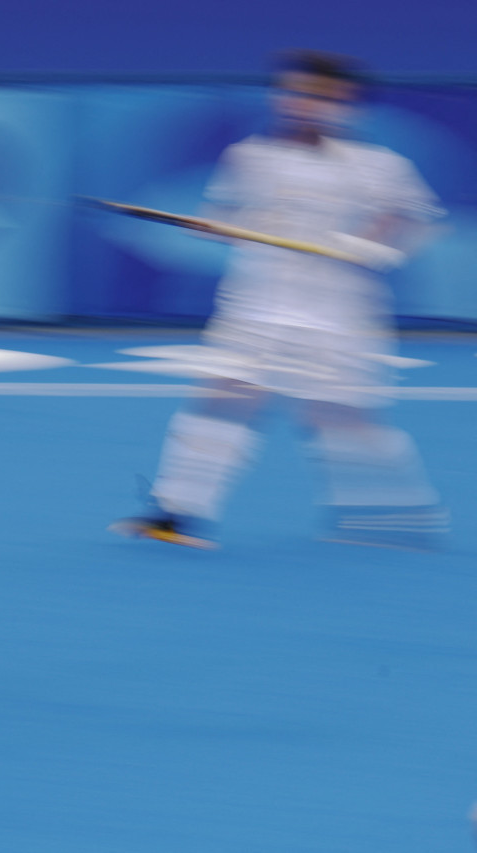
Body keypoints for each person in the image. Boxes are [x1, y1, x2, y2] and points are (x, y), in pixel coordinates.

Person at [111, 50, 448, 550]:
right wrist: (215, 227)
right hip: (255, 306)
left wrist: (370, 245)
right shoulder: (251, 156)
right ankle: (178, 513)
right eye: (292, 92)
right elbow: (227, 217)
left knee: (337, 417)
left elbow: (412, 219)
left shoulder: (381, 167)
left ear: (346, 103)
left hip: (339, 314)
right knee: (222, 400)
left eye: (317, 95)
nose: (301, 103)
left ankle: (394, 511)